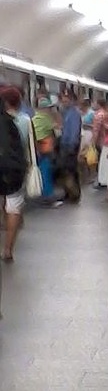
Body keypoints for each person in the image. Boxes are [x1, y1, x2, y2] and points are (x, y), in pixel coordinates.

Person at [0, 87, 31, 261]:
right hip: (15, 168)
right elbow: (29, 146)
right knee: (13, 206)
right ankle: (8, 249)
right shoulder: (25, 120)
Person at [31, 96, 61, 206]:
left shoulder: (34, 118)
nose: (49, 110)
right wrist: (56, 115)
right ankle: (48, 198)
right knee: (46, 173)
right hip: (45, 149)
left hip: (37, 149)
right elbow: (58, 129)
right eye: (49, 108)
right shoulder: (45, 119)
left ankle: (43, 195)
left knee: (43, 172)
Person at [57, 89, 82, 203]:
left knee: (70, 170)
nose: (64, 102)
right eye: (63, 100)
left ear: (72, 100)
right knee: (66, 170)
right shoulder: (66, 113)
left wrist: (72, 146)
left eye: (67, 100)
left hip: (70, 146)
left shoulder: (74, 114)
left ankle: (74, 193)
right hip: (64, 144)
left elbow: (74, 131)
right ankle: (68, 192)